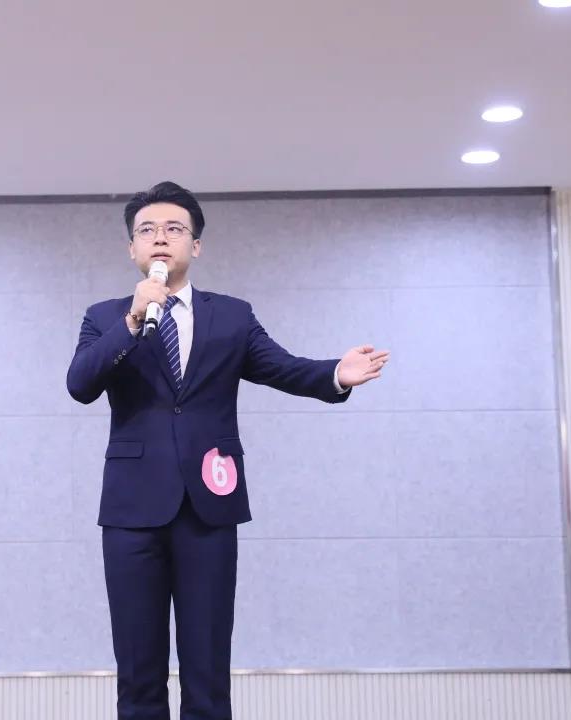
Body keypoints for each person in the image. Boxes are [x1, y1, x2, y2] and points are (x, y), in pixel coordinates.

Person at [65, 181, 389, 720]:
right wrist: (132, 321)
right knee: (138, 669)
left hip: (209, 507)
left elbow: (282, 368)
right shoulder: (105, 317)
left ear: (196, 245)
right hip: (131, 510)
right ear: (132, 248)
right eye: (147, 230)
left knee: (208, 666)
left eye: (174, 229)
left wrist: (336, 372)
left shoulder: (232, 316)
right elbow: (80, 384)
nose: (160, 238)